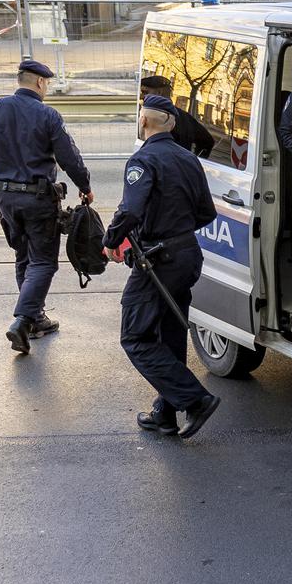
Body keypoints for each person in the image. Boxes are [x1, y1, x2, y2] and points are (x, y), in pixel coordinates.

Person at [0, 59, 94, 353]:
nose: (47, 88)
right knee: (43, 262)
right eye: (47, 83)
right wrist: (85, 186)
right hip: (38, 200)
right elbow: (69, 157)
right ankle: (23, 320)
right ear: (40, 82)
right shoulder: (48, 115)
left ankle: (35, 319)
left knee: (23, 256)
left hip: (5, 199)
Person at [103, 95, 221, 439]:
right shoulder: (189, 159)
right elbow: (207, 213)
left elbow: (131, 211)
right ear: (170, 123)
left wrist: (111, 239)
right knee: (170, 333)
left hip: (158, 259)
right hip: (187, 255)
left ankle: (195, 400)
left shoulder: (143, 160)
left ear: (143, 123)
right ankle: (164, 414)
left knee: (135, 336)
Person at [139, 75, 215, 157]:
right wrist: (192, 161)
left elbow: (208, 142)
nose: (141, 96)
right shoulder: (187, 119)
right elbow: (208, 141)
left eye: (145, 92)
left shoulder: (150, 116)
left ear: (159, 92)